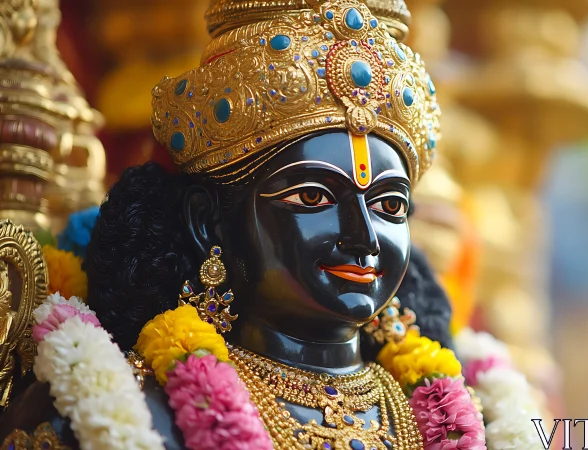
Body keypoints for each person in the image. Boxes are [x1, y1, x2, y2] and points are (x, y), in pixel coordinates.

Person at [0, 1, 477, 449]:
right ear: (208, 221)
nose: (364, 238)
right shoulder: (128, 414)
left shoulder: (451, 416)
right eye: (312, 196)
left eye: (389, 206)